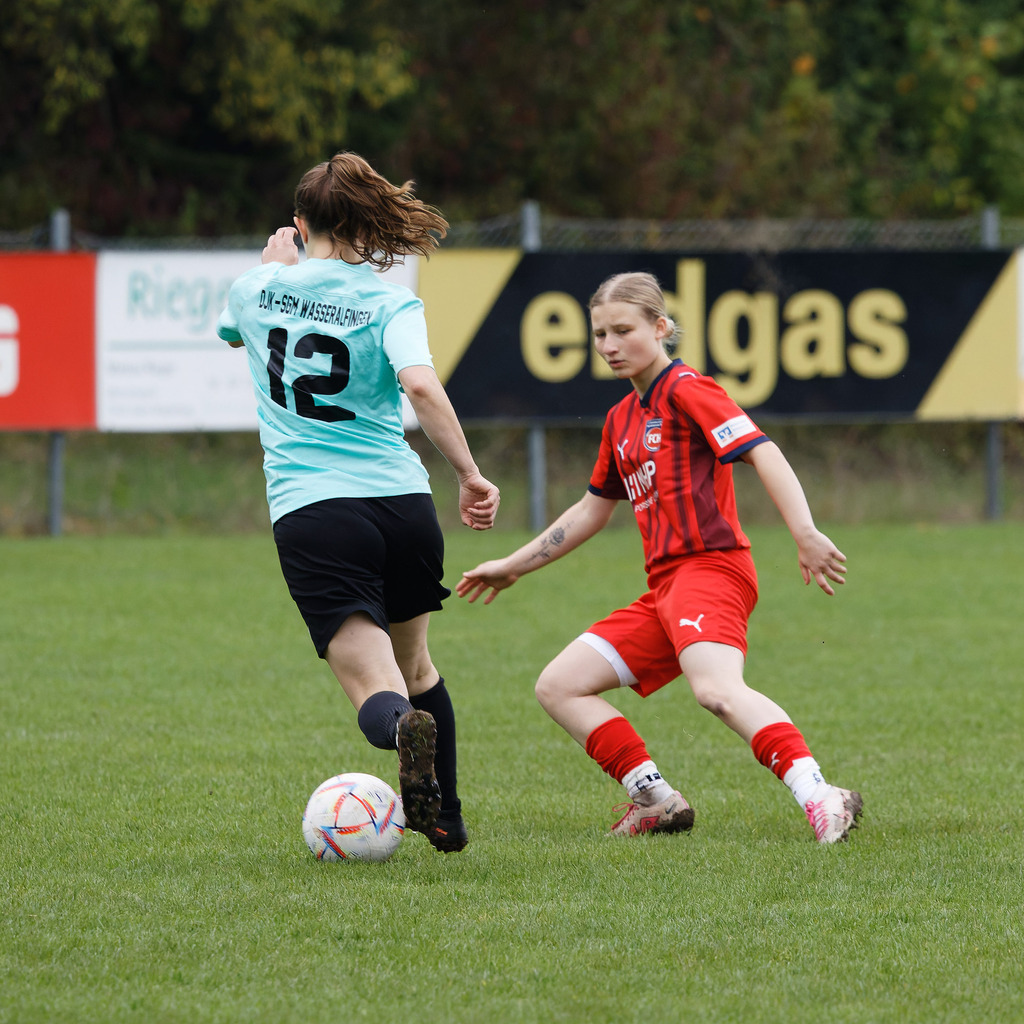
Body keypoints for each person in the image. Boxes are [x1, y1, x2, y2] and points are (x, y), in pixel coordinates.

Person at [457, 271, 862, 844]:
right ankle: (655, 800)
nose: (609, 346)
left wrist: (806, 531)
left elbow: (763, 451)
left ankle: (820, 795)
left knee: (716, 690)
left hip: (712, 570)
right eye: (599, 334)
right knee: (560, 685)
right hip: (666, 589)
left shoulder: (688, 389)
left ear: (661, 328)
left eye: (623, 330)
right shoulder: (621, 419)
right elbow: (591, 511)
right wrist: (512, 565)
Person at [217, 151, 499, 853]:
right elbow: (423, 388)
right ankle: (446, 819)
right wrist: (468, 474)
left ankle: (401, 732)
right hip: (403, 505)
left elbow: (235, 331)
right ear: (368, 221)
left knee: (380, 688)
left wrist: (275, 270)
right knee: (417, 668)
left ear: (301, 222)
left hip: (317, 513)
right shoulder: (390, 299)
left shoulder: (254, 290)